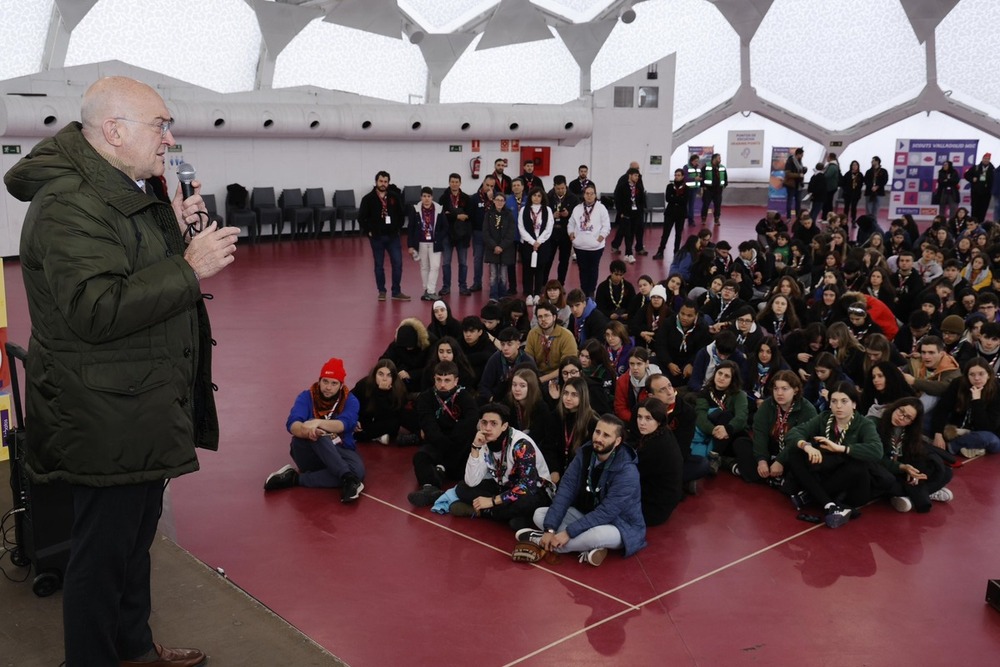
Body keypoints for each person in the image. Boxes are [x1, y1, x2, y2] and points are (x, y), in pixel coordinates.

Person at [5, 75, 239, 667]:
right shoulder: (67, 204)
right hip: (105, 407)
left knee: (135, 543)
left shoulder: (118, 188)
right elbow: (95, 308)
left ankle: (133, 648)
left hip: (138, 401)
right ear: (114, 131)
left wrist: (172, 222)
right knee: (102, 555)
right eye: (160, 124)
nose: (169, 137)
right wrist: (188, 266)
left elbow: (129, 263)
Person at [520, 414, 646, 566]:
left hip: (619, 524)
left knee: (596, 536)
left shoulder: (627, 471)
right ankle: (584, 548)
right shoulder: (585, 453)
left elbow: (607, 512)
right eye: (597, 432)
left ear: (617, 441)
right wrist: (550, 529)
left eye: (606, 435)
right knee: (540, 515)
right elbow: (566, 489)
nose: (599, 438)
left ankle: (545, 543)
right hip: (586, 514)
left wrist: (568, 533)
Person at [782, 383, 883, 528]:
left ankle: (811, 496)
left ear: (854, 404)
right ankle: (829, 504)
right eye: (834, 401)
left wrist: (841, 448)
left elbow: (877, 451)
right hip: (827, 473)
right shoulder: (824, 418)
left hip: (851, 485)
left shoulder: (864, 424)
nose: (838, 406)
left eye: (844, 401)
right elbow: (794, 433)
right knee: (796, 452)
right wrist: (807, 446)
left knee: (857, 464)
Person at [266, 357, 365, 503]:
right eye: (325, 381)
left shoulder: (350, 400)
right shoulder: (306, 397)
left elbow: (344, 424)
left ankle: (295, 479)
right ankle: (347, 478)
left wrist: (318, 422)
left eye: (334, 383)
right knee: (314, 429)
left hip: (338, 451)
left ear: (341, 384)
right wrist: (308, 430)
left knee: (358, 472)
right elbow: (292, 424)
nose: (328, 387)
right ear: (319, 381)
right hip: (308, 452)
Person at [453, 403, 553, 529]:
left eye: (493, 423)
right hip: (505, 486)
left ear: (504, 426)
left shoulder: (521, 444)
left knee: (525, 505)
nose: (487, 428)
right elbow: (471, 481)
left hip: (533, 491)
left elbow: (527, 486)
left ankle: (484, 511)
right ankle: (503, 514)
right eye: (484, 423)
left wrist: (492, 501)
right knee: (462, 488)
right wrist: (475, 447)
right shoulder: (484, 440)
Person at [406, 361, 480, 507]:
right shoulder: (426, 398)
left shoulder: (465, 397)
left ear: (456, 381)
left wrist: (452, 445)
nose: (442, 384)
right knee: (420, 457)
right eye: (439, 380)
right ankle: (431, 487)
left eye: (447, 380)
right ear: (434, 379)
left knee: (472, 470)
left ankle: (440, 471)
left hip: (460, 448)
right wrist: (443, 446)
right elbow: (429, 426)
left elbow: (469, 422)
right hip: (438, 444)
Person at [731, 370, 817, 484]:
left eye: (784, 389)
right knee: (741, 442)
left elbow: (801, 440)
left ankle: (749, 472)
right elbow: (760, 433)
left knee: (800, 463)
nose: (779, 393)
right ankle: (772, 478)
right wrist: (761, 460)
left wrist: (780, 461)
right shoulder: (767, 405)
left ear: (795, 390)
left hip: (791, 452)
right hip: (770, 448)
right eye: (776, 389)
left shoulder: (807, 410)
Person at [872, 398, 954, 513]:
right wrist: (903, 468)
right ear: (896, 407)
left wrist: (914, 471)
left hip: (902, 468)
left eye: (908, 418)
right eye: (901, 411)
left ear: (912, 422)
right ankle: (923, 493)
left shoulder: (908, 431)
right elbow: (875, 458)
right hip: (882, 468)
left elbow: (913, 453)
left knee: (945, 471)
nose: (901, 418)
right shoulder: (874, 423)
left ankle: (911, 496)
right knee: (887, 481)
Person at [931, 356, 1000, 458]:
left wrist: (977, 401)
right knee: (928, 420)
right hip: (956, 429)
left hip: (982, 433)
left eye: (981, 374)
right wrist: (938, 433)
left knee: (991, 441)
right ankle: (968, 447)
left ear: (989, 375)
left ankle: (952, 446)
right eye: (972, 374)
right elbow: (942, 409)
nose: (976, 378)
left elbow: (987, 427)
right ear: (967, 376)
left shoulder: (996, 389)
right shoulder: (958, 383)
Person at [633, 398, 684, 526]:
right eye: (639, 417)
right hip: (661, 499)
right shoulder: (662, 432)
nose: (642, 423)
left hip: (653, 509)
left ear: (659, 420)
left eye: (648, 418)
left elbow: (632, 475)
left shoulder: (656, 446)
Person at [360, 170, 409, 301]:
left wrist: (398, 228)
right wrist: (368, 231)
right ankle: (381, 291)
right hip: (377, 237)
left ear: (388, 183)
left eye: (385, 181)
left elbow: (401, 214)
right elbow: (361, 218)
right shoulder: (368, 199)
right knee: (379, 265)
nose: (383, 184)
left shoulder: (394, 196)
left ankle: (396, 291)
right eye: (381, 181)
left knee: (398, 264)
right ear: (376, 182)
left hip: (393, 237)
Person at [543, 376, 600, 483]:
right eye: (565, 393)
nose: (568, 398)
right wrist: (553, 469)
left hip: (579, 474)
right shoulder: (556, 416)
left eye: (574, 395)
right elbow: (548, 446)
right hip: (557, 471)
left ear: (583, 397)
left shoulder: (593, 421)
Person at [652, 299, 711, 389]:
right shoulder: (668, 322)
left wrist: (692, 363)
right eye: (682, 314)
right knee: (651, 363)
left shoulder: (703, 327)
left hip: (688, 365)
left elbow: (702, 349)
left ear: (696, 315)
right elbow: (660, 345)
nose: (684, 318)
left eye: (689, 316)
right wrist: (669, 363)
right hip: (669, 361)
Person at [568, 185, 611, 297]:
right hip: (580, 246)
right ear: (584, 195)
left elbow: (606, 226)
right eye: (587, 193)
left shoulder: (601, 208)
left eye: (592, 193)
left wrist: (599, 239)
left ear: (595, 195)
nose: (589, 196)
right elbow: (571, 223)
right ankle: (584, 290)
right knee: (582, 269)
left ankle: (591, 291)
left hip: (596, 246)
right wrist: (572, 236)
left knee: (593, 269)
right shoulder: (577, 208)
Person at [353, 359, 409, 444]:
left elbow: (392, 414)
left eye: (389, 375)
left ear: (393, 377)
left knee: (394, 422)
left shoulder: (399, 390)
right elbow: (351, 401)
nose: (384, 379)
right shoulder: (364, 384)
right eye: (380, 374)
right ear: (375, 374)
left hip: (383, 421)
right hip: (364, 419)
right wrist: (354, 419)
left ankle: (367, 435)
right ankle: (373, 436)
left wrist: (382, 393)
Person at [478, 326, 537, 403]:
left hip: (522, 399)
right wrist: (492, 400)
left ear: (518, 344)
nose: (505, 348)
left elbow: (534, 387)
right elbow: (484, 386)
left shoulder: (527, 361)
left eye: (509, 344)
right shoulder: (495, 359)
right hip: (498, 399)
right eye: (502, 344)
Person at [407, 187, 447, 301]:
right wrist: (410, 245)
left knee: (435, 266)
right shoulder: (415, 210)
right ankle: (426, 290)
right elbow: (410, 228)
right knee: (424, 267)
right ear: (421, 197)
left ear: (432, 197)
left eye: (429, 196)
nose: (426, 199)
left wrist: (439, 237)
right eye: (424, 196)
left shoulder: (439, 209)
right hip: (421, 242)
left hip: (435, 243)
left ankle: (431, 290)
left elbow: (445, 226)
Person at [524, 302, 578, 383]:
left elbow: (567, 366)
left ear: (554, 317)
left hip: (561, 376)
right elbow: (528, 360)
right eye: (540, 317)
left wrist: (542, 380)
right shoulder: (533, 333)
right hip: (538, 374)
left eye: (546, 315)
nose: (543, 319)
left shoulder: (567, 336)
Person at [518, 186, 555, 304]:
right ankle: (528, 293)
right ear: (530, 197)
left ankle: (538, 293)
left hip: (542, 244)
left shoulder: (547, 210)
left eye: (539, 196)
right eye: (534, 195)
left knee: (540, 269)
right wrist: (532, 241)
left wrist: (539, 241)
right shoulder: (524, 209)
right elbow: (521, 228)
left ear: (542, 197)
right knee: (528, 270)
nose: (536, 198)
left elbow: (549, 227)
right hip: (528, 244)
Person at [439, 173, 473, 296]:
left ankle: (463, 287)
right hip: (447, 235)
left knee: (463, 263)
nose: (454, 184)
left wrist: (451, 214)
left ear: (460, 183)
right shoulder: (443, 198)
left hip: (462, 235)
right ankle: (446, 287)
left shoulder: (465, 198)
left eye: (456, 182)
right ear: (449, 182)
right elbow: (442, 215)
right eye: (452, 181)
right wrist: (458, 215)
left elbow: (469, 215)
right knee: (446, 262)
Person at [484, 190, 517, 301]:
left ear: (505, 202)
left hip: (505, 250)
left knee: (503, 275)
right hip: (492, 249)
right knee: (493, 274)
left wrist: (501, 246)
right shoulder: (488, 214)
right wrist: (494, 246)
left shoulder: (509, 215)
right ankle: (493, 295)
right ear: (493, 201)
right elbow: (486, 232)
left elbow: (511, 233)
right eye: (497, 200)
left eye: (502, 200)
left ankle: (502, 294)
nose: (499, 202)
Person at [547, 175, 580, 285]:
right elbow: (543, 214)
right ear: (554, 187)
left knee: (564, 260)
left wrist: (568, 213)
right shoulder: (548, 197)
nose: (560, 190)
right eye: (558, 188)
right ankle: (543, 283)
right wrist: (552, 214)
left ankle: (561, 283)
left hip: (565, 233)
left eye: (563, 188)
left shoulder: (574, 198)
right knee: (547, 259)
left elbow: (577, 216)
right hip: (551, 233)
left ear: (566, 186)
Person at [611, 166, 646, 262]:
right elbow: (618, 200)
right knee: (626, 234)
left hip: (636, 214)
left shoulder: (638, 187)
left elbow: (642, 200)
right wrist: (620, 212)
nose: (637, 178)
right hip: (626, 214)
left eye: (637, 176)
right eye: (635, 175)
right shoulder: (623, 186)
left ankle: (628, 253)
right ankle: (629, 253)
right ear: (630, 176)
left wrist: (640, 210)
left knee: (632, 234)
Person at [654, 168, 688, 258]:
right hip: (670, 213)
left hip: (681, 213)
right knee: (665, 233)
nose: (676, 177)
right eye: (675, 175)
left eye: (678, 175)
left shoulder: (686, 188)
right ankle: (660, 251)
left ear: (683, 176)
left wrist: (675, 198)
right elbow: (668, 198)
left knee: (678, 234)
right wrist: (678, 198)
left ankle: (676, 252)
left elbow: (685, 200)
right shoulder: (670, 186)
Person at [965, 152, 994, 223]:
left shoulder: (993, 169)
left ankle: (980, 223)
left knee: (983, 209)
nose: (986, 160)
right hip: (976, 192)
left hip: (986, 194)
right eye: (985, 158)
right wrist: (972, 179)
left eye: (988, 159)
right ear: (982, 159)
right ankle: (973, 223)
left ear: (989, 160)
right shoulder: (976, 167)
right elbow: (966, 175)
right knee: (974, 209)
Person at [700, 153, 727, 226]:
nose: (720, 160)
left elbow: (725, 177)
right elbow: (701, 177)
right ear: (714, 159)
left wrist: (724, 185)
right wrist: (703, 186)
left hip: (718, 190)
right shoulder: (706, 166)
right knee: (706, 205)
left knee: (717, 205)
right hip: (708, 190)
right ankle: (703, 218)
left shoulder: (722, 167)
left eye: (720, 158)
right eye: (719, 158)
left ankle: (717, 219)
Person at [784, 148, 807, 220]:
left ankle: (798, 217)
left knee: (798, 202)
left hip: (799, 185)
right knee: (790, 202)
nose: (802, 156)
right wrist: (798, 175)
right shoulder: (790, 161)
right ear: (798, 154)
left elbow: (800, 170)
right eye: (802, 155)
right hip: (791, 185)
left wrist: (804, 170)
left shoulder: (800, 162)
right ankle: (788, 217)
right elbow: (787, 174)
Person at [864, 156, 889, 221]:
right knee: (869, 208)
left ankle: (874, 222)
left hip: (879, 192)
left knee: (876, 208)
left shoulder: (883, 171)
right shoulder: (869, 171)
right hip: (869, 192)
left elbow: (885, 180)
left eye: (873, 161)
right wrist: (871, 187)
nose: (872, 162)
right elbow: (866, 180)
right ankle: (868, 222)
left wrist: (877, 186)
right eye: (872, 161)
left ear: (877, 161)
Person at [682, 154, 703, 227]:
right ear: (691, 161)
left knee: (691, 205)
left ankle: (691, 221)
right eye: (695, 161)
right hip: (687, 189)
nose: (697, 162)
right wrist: (694, 179)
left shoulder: (698, 168)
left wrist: (700, 179)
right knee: (685, 205)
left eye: (698, 161)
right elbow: (685, 178)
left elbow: (699, 176)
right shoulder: (686, 167)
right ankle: (683, 219)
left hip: (695, 188)